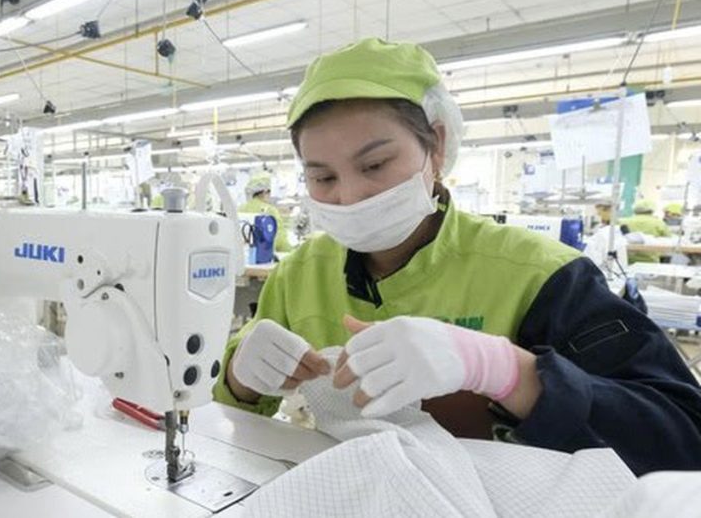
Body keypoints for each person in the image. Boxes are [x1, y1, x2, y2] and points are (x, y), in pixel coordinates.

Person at [213, 38, 701, 475]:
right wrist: (240, 378)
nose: (351, 195)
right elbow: (229, 423)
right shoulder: (299, 274)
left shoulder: (541, 275)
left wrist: (505, 371)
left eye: (375, 164)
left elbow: (683, 440)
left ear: (437, 145)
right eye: (323, 177)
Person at [239, 173, 292, 253]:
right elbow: (280, 240)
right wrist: (293, 250)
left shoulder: (240, 209)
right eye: (269, 192)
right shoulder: (270, 210)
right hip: (265, 255)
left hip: (243, 255)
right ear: (265, 192)